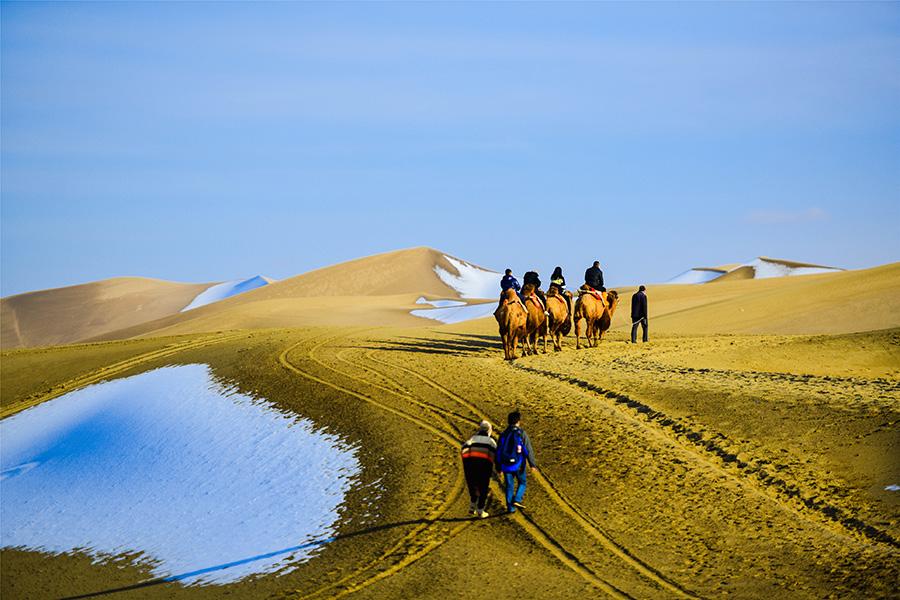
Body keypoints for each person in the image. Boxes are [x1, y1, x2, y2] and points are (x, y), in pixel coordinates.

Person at [497, 410, 538, 513]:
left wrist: (498, 466)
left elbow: (498, 451)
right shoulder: (521, 433)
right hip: (519, 464)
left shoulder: (504, 434)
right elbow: (528, 449)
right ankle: (517, 499)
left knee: (509, 486)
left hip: (506, 465)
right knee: (522, 482)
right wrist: (532, 464)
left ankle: (510, 508)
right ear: (519, 421)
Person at [460, 420, 497, 518]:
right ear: (489, 430)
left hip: (471, 468)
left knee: (473, 486)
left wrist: (468, 463)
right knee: (483, 488)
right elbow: (495, 455)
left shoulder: (472, 439)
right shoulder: (491, 442)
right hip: (484, 468)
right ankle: (480, 510)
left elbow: (464, 450)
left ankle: (472, 508)